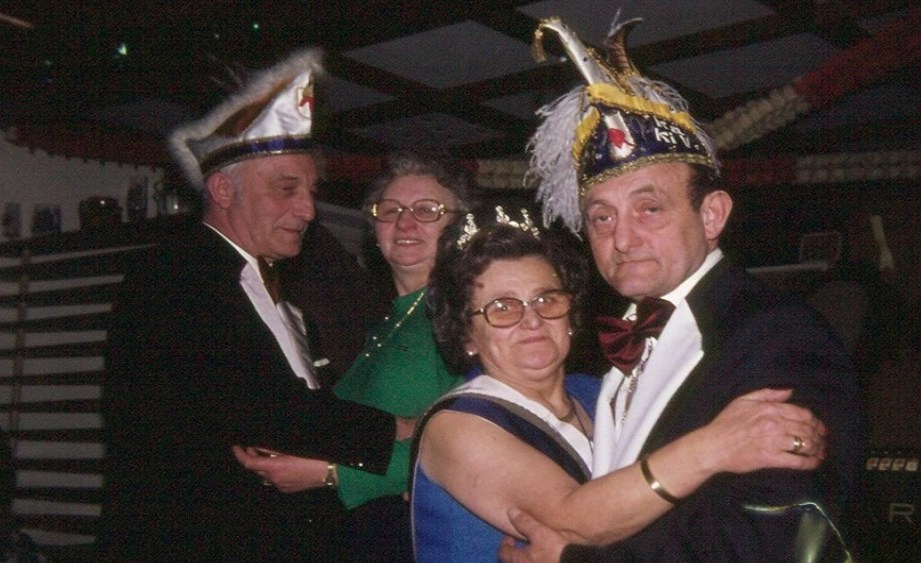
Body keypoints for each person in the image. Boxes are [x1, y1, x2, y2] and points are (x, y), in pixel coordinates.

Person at [498, 15, 864, 561]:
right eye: (601, 217)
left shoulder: (777, 334)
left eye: (649, 208)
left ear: (712, 215)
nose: (622, 238)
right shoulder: (623, 344)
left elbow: (777, 541)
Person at [98, 49, 410, 561]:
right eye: (287, 189)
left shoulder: (277, 292)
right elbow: (258, 405)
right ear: (223, 189)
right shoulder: (175, 277)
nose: (308, 209)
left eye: (310, 191)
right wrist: (407, 429)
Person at [411, 206, 829, 561]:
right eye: (503, 308)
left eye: (546, 299)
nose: (532, 320)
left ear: (570, 313)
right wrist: (716, 446)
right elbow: (573, 522)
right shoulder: (456, 425)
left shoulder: (602, 394)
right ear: (466, 334)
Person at [233, 150, 475, 561]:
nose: (405, 223)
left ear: (459, 225)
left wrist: (330, 475)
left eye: (427, 210)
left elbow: (475, 444)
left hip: (424, 535)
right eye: (390, 210)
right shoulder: (385, 323)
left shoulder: (468, 315)